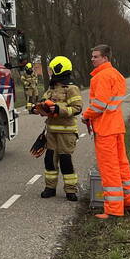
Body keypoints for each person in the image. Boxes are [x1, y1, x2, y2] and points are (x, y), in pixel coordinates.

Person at [82, 44, 130, 219]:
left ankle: (113, 210)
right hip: (117, 127)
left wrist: (86, 115)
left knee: (109, 169)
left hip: (105, 129)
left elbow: (99, 105)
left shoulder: (101, 77)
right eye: (92, 56)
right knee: (122, 165)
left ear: (105, 58)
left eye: (96, 56)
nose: (92, 59)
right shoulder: (117, 75)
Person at [30, 55, 84, 201]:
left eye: (52, 69)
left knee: (65, 161)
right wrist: (38, 108)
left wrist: (58, 109)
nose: (51, 72)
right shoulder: (52, 87)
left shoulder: (71, 88)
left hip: (67, 133)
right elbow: (44, 101)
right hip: (51, 132)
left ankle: (70, 190)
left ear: (60, 69)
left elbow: (77, 108)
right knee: (49, 160)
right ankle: (50, 188)